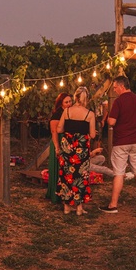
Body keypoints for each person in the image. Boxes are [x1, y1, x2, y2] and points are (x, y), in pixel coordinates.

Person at [99, 75, 136, 214]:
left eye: (115, 87)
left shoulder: (118, 102)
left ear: (122, 86)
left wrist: (108, 118)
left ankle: (113, 205)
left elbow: (112, 122)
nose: (115, 90)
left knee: (119, 173)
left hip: (121, 142)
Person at [56, 86, 97, 216]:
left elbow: (59, 129)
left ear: (75, 97)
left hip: (67, 147)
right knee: (81, 176)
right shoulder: (90, 114)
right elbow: (93, 135)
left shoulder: (67, 111)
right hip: (81, 149)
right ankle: (79, 208)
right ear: (87, 98)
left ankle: (67, 207)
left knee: (67, 175)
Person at [46, 93, 73, 204]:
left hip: (67, 142)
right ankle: (56, 195)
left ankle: (66, 193)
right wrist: (57, 147)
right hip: (59, 142)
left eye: (70, 101)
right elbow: (54, 132)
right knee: (58, 168)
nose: (69, 104)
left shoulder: (71, 112)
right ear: (61, 103)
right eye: (66, 102)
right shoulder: (57, 115)